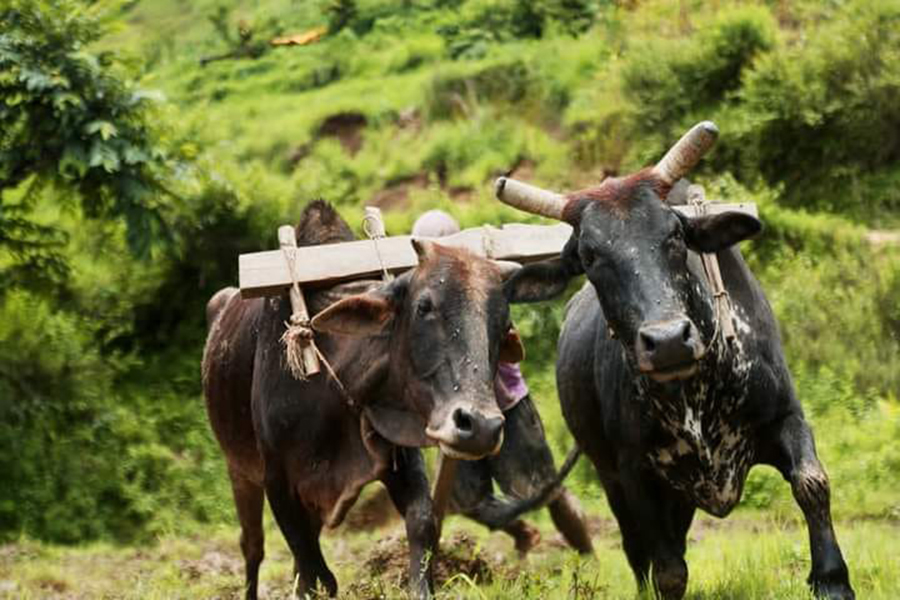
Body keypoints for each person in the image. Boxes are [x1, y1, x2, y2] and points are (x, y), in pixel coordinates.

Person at [412, 210, 593, 555]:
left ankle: (589, 557)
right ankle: (522, 532)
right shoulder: (422, 292)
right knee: (465, 500)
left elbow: (511, 347)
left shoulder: (483, 283)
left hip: (505, 403)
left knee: (545, 491)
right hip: (454, 409)